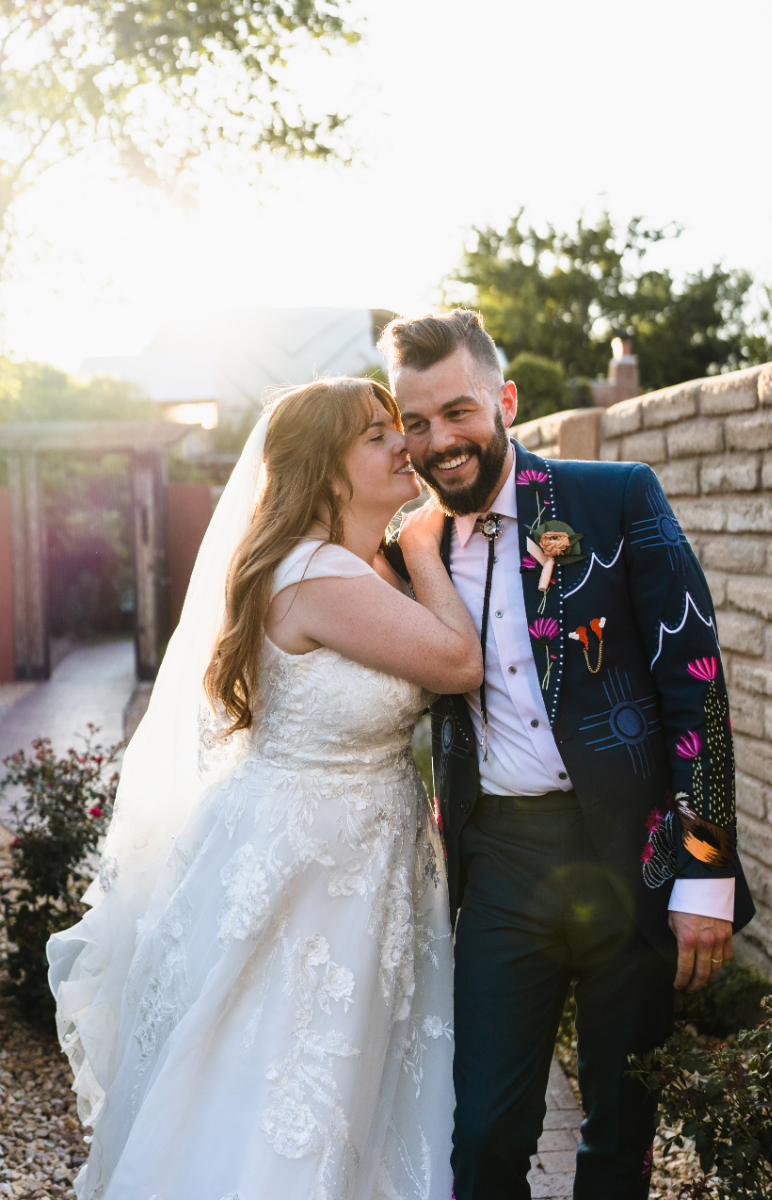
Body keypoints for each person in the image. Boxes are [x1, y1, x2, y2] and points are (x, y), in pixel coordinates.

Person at [47, 377, 482, 1200]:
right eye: (375, 435)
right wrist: (426, 547)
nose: (403, 445)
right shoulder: (317, 573)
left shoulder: (365, 567)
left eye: (399, 428)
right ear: (326, 469)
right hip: (310, 868)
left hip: (364, 856)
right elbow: (459, 664)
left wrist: (408, 554)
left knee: (347, 1088)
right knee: (289, 1087)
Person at [380, 310, 755, 1200]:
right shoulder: (407, 548)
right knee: (484, 1136)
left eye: (459, 411)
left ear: (505, 401)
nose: (441, 441)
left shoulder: (616, 498)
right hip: (502, 863)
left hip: (634, 851)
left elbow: (694, 685)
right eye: (418, 423)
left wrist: (705, 875)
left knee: (620, 1133)